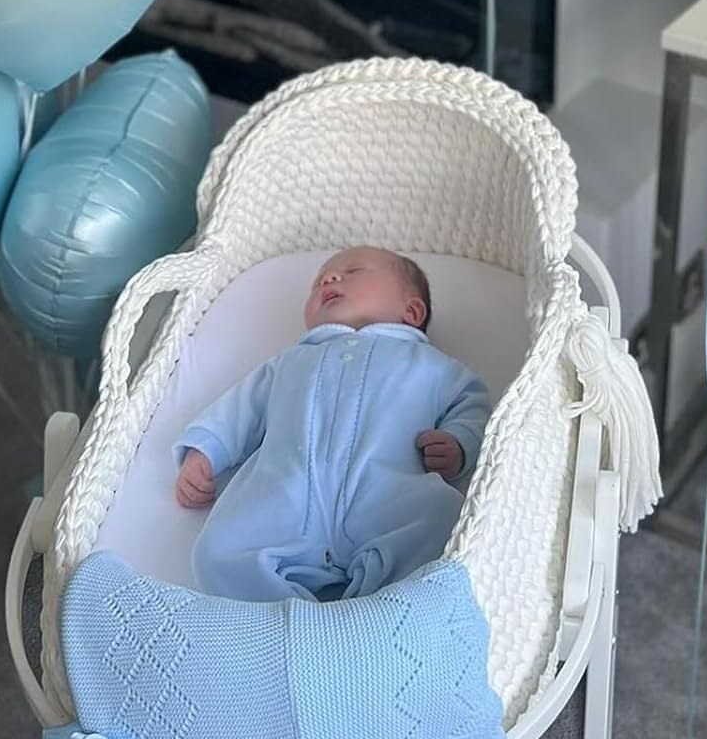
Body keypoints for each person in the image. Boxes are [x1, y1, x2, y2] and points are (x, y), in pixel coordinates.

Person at [173, 246, 489, 601]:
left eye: (353, 271)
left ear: (412, 311)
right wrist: (204, 451)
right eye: (319, 280)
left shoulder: (429, 365)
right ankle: (290, 622)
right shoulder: (291, 362)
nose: (329, 278)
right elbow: (240, 409)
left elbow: (471, 404)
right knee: (218, 551)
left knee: (442, 519)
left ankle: (375, 616)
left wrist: (458, 444)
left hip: (387, 494)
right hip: (286, 495)